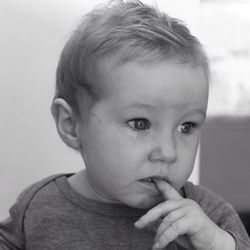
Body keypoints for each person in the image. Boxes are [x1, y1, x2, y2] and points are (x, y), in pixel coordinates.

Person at [0, 0, 249, 249]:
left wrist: (216, 243)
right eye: (140, 124)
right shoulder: (38, 207)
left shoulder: (207, 216)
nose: (168, 152)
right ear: (71, 124)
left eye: (186, 127)